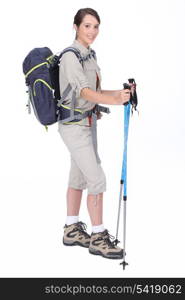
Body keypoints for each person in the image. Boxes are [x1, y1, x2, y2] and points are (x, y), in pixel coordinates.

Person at [58, 8, 131, 259]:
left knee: (78, 177)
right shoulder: (71, 56)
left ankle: (72, 228)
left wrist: (121, 97)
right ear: (76, 26)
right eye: (87, 26)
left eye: (96, 26)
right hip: (74, 126)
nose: (92, 31)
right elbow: (85, 93)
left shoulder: (89, 55)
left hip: (88, 123)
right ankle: (98, 237)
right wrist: (112, 101)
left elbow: (95, 93)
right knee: (96, 178)